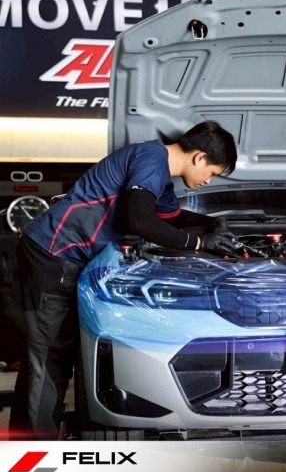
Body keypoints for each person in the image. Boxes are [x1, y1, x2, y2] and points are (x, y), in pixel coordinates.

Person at [9, 120, 238, 440]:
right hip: (52, 254)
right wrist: (198, 243)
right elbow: (139, 219)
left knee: (53, 356)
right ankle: (33, 455)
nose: (208, 180)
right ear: (199, 157)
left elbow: (171, 218)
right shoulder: (151, 159)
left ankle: (32, 443)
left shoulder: (159, 175)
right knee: (49, 358)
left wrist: (211, 225)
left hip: (64, 258)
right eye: (212, 172)